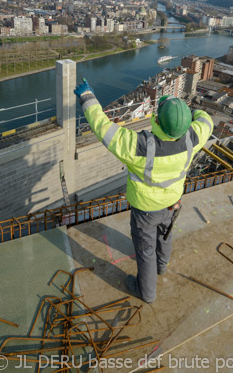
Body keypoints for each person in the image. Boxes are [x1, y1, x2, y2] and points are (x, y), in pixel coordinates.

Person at [74, 78, 213, 303]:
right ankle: (162, 267)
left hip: (145, 211)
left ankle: (146, 292)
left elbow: (103, 128)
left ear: (156, 120)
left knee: (145, 250)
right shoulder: (193, 139)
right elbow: (206, 120)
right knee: (165, 236)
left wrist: (87, 98)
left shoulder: (140, 146)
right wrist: (190, 114)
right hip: (172, 204)